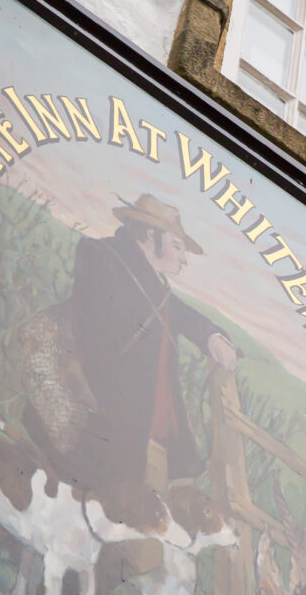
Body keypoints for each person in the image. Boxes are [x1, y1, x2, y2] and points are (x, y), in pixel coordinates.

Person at [19, 194, 236, 516]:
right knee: (92, 504)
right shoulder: (101, 258)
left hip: (128, 424)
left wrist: (211, 337)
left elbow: (172, 310)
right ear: (150, 237)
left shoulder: (149, 283)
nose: (184, 258)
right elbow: (103, 333)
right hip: (90, 409)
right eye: (177, 246)